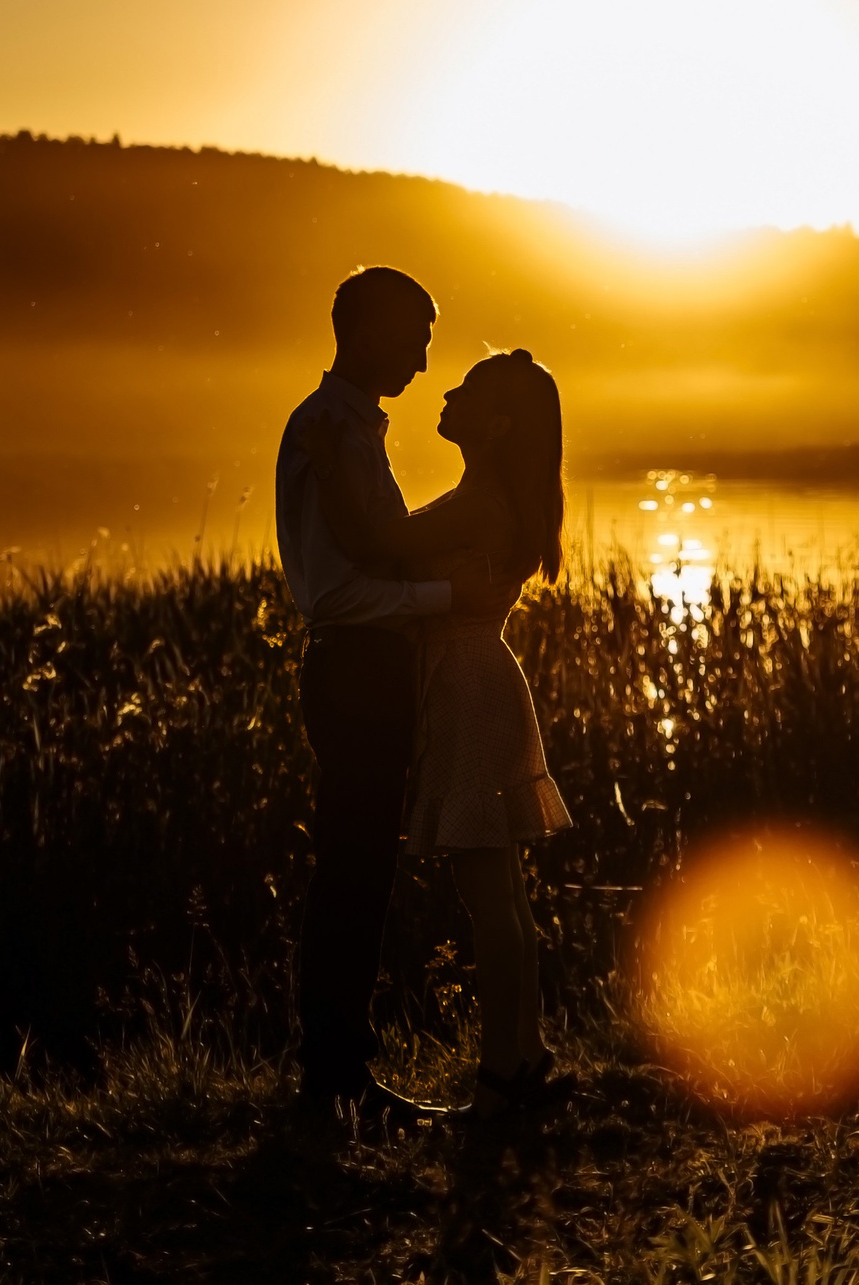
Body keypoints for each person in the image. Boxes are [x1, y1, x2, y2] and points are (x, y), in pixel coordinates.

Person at [310, 346, 574, 1119]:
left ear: (494, 424)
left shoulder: (480, 503)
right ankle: (521, 1059)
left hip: (464, 688)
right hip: (478, 679)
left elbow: (372, 544)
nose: (448, 391)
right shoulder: (488, 498)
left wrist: (331, 465)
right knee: (505, 893)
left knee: (490, 892)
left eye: (467, 390)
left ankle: (502, 1075)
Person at [276, 265, 507, 1131]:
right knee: (351, 870)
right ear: (367, 330)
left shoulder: (350, 428)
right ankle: (336, 1078)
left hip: (372, 673)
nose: (423, 356)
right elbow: (333, 594)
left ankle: (340, 1069)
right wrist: (446, 600)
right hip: (353, 672)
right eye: (416, 335)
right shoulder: (328, 429)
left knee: (362, 869)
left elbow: (372, 558)